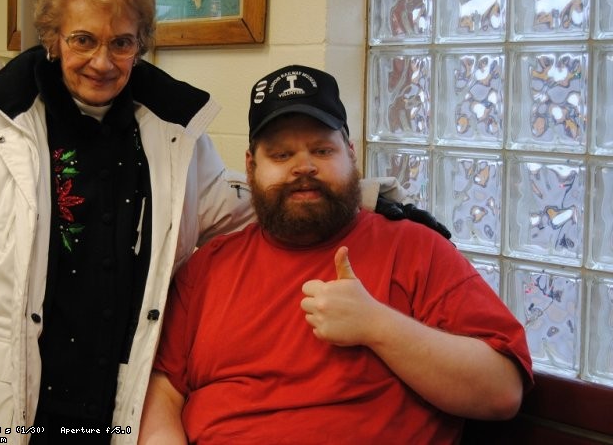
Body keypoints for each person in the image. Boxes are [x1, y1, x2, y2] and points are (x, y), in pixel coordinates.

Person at [0, 0, 447, 443]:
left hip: (110, 403)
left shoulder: (171, 133)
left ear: (141, 46)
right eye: (83, 40)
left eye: (121, 43)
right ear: (53, 40)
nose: (102, 61)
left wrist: (369, 198)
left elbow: (238, 204)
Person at [138, 65, 533, 445]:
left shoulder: (417, 249)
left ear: (351, 153)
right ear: (250, 165)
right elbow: (163, 389)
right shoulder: (207, 268)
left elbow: (501, 393)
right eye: (281, 155)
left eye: (322, 150)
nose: (303, 167)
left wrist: (377, 325)